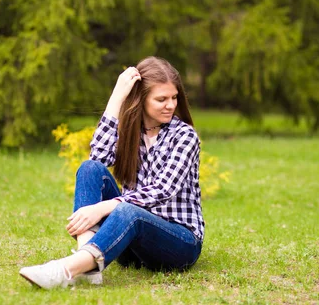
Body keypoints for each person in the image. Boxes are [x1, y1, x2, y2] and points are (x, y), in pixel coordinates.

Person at [19, 56, 204, 289]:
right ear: (141, 98)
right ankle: (88, 266)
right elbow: (98, 159)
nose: (170, 105)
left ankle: (65, 270)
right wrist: (117, 97)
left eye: (174, 97)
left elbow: (162, 189)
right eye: (161, 99)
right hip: (132, 241)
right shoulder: (130, 132)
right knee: (89, 169)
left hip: (180, 243)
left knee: (130, 211)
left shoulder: (184, 136)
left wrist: (103, 207)